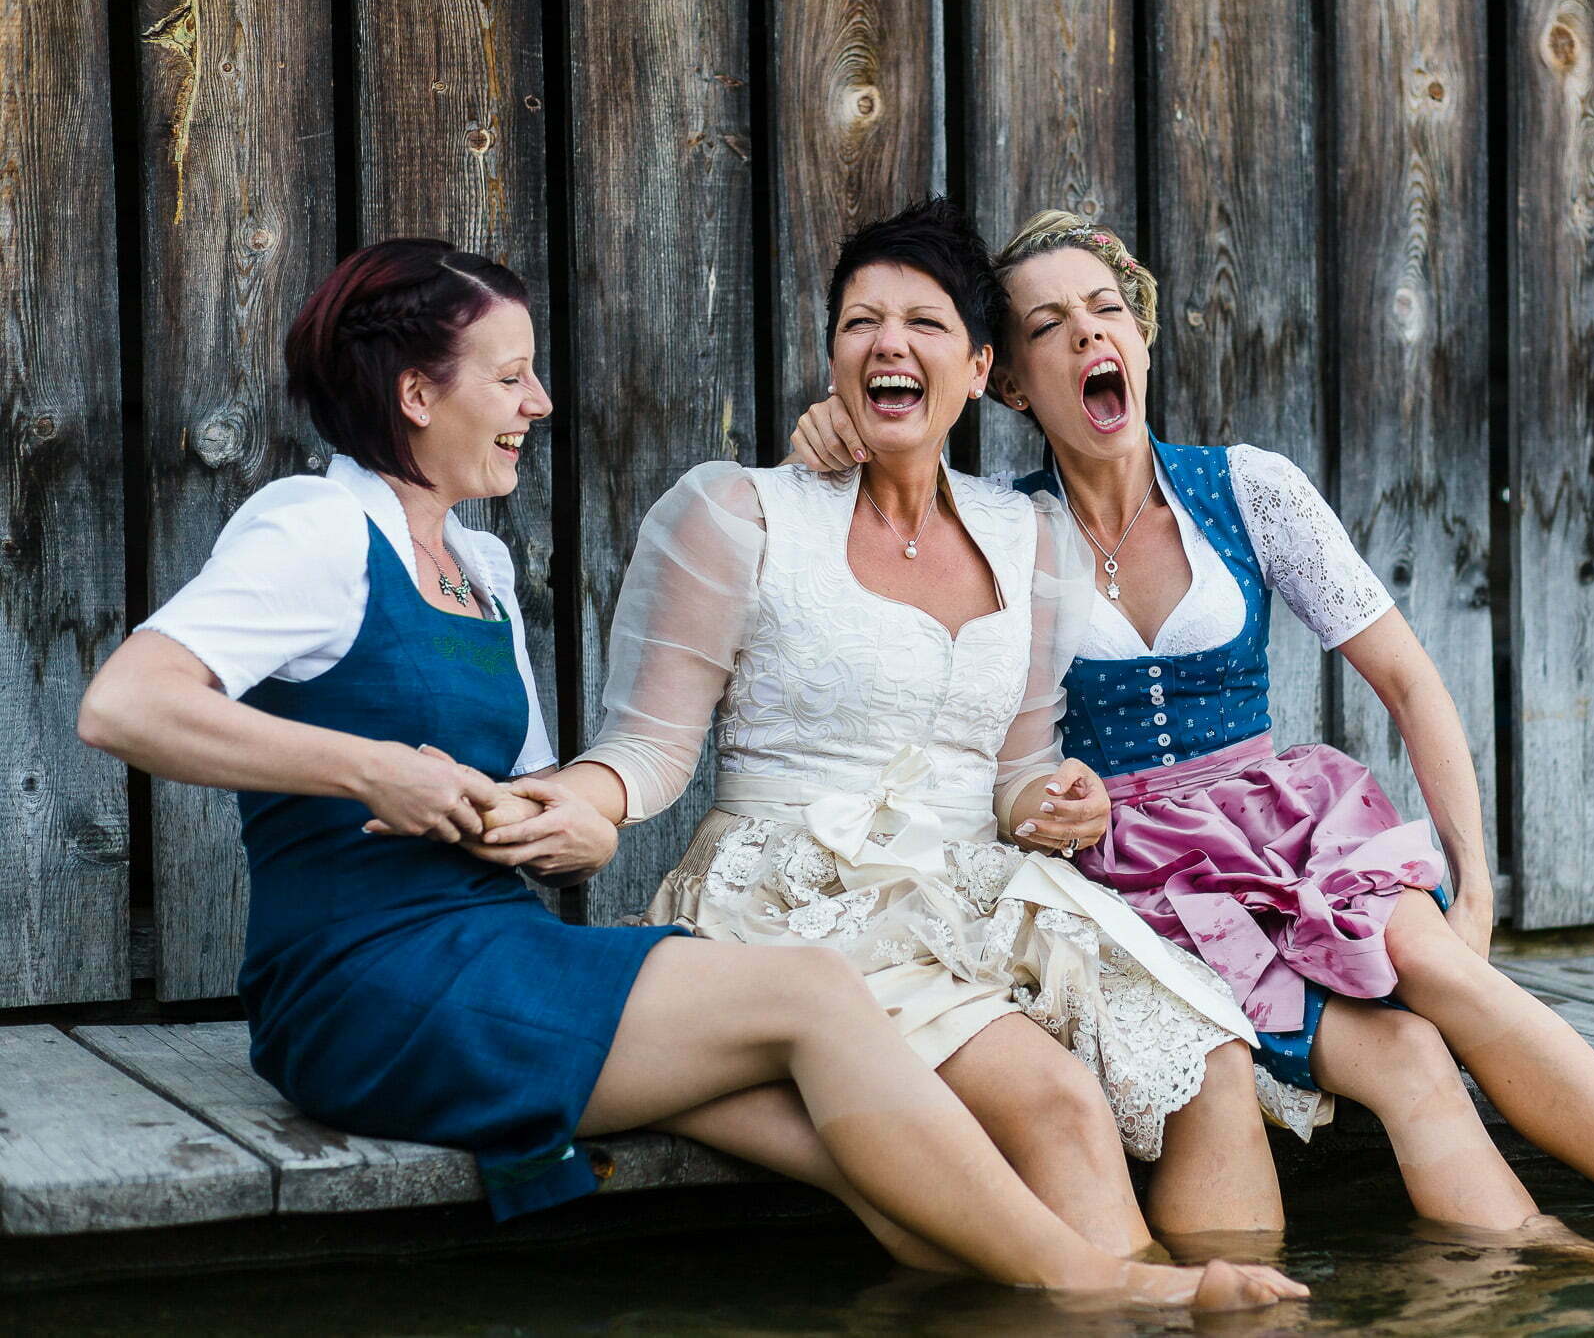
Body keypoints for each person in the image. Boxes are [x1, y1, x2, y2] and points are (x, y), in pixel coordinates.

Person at [74, 237, 1302, 1309]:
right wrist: (371, 772)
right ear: (412, 391)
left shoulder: (480, 570)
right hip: (363, 988)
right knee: (817, 997)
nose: (538, 402)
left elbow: (540, 792)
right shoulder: (311, 526)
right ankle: (1106, 1286)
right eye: (509, 377)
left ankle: (1059, 1303)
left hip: (500, 948)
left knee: (873, 1171)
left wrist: (570, 826)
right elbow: (126, 706)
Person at [787, 211, 1594, 1265]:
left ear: (1138, 339)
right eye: (1048, 328)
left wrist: (1477, 890)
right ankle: (1567, 1258)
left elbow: (1409, 683)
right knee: (1407, 1057)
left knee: (1447, 978)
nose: (1088, 337)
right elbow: (878, 521)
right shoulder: (994, 524)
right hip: (1135, 876)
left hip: (1289, 829)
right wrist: (831, 438)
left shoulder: (1248, 489)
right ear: (1007, 383)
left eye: (1104, 312)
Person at [489, 199, 1309, 1263]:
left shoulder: (1031, 535)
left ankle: (1250, 1315)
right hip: (794, 892)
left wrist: (1057, 800)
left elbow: (1017, 769)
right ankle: (1138, 1310)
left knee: (1210, 1061)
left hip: (982, 890)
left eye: (923, 324)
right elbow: (645, 752)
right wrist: (576, 797)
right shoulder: (739, 515)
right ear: (833, 359)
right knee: (1056, 1102)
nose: (887, 343)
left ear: (976, 369)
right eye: (858, 323)